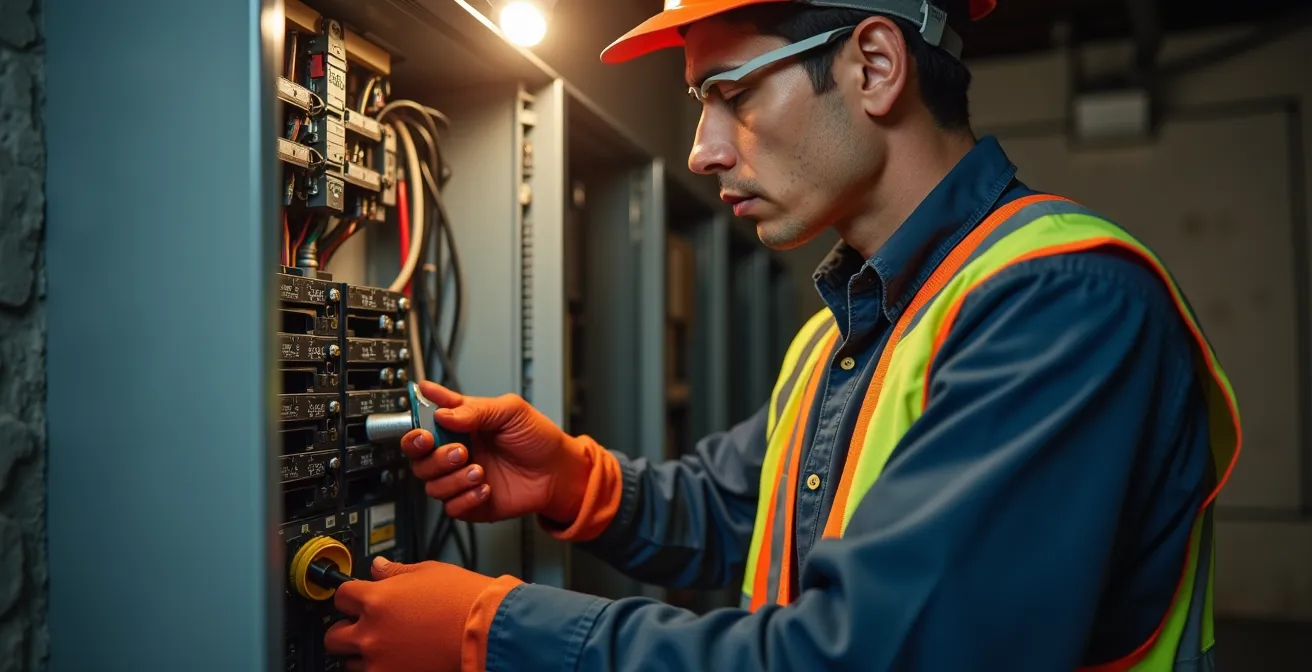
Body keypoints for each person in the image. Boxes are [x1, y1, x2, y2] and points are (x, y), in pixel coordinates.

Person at [322, 0, 1242, 669]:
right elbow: (739, 511)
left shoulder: (1061, 302)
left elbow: (876, 657)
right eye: (699, 105)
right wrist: (573, 480)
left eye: (732, 93)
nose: (703, 149)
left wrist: (494, 629)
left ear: (875, 66)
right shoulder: (845, 333)